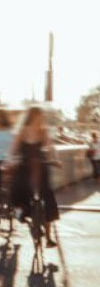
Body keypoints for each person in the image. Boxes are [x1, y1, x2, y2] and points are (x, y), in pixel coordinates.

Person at [9, 106, 60, 247]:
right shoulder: (22, 132)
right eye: (39, 116)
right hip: (25, 167)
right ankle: (22, 214)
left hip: (40, 167)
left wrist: (55, 158)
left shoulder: (43, 131)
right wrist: (11, 161)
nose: (41, 119)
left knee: (48, 197)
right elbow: (13, 150)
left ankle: (48, 238)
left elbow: (51, 147)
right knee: (18, 189)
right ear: (32, 117)